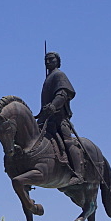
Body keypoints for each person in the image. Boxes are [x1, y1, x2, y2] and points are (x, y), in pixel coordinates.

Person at [36, 51, 84, 185]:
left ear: (57, 61)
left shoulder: (59, 75)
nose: (48, 62)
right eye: (46, 59)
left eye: (51, 59)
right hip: (46, 119)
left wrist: (53, 105)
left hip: (59, 118)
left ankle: (78, 174)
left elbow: (63, 94)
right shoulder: (48, 79)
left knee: (68, 141)